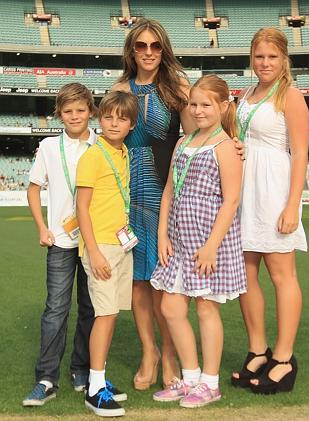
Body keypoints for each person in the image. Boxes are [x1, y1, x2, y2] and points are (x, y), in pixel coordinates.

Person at [150, 74, 247, 408]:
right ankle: (189, 378)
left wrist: (211, 246)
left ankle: (209, 383)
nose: (199, 110)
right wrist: (162, 233)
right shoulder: (183, 142)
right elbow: (169, 191)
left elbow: (231, 200)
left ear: (223, 106)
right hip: (178, 240)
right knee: (171, 307)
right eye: (194, 104)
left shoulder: (226, 147)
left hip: (209, 243)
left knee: (206, 308)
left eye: (206, 104)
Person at [112, 18, 196, 390]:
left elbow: (199, 133)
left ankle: (172, 355)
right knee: (137, 283)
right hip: (127, 195)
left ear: (164, 49)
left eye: (155, 46)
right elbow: (110, 140)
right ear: (132, 50)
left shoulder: (177, 85)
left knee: (165, 282)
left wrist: (232, 143)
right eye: (141, 46)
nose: (148, 52)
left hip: (167, 195)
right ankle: (150, 351)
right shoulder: (119, 87)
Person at [231, 28, 309, 394]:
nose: (265, 63)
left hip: (275, 191)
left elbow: (299, 154)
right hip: (245, 190)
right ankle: (258, 349)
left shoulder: (290, 96)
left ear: (284, 60)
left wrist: (293, 204)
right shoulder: (245, 94)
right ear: (251, 57)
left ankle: (283, 358)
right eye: (259, 56)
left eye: (272, 57)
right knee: (246, 273)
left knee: (281, 275)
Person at [23, 83, 97, 406]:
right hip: (61, 241)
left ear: (90, 111)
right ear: (59, 114)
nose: (75, 116)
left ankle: (80, 368)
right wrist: (42, 227)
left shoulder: (102, 144)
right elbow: (33, 188)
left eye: (81, 110)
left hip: (95, 241)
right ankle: (46, 377)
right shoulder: (50, 147)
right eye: (68, 111)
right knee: (55, 309)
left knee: (90, 308)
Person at [76, 91, 138, 417]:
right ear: (100, 118)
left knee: (112, 314)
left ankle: (99, 378)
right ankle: (94, 388)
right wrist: (94, 252)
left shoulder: (124, 152)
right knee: (104, 315)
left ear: (131, 124)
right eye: (109, 116)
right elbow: (82, 209)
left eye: (122, 118)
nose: (114, 123)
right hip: (100, 247)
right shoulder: (93, 155)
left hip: (119, 243)